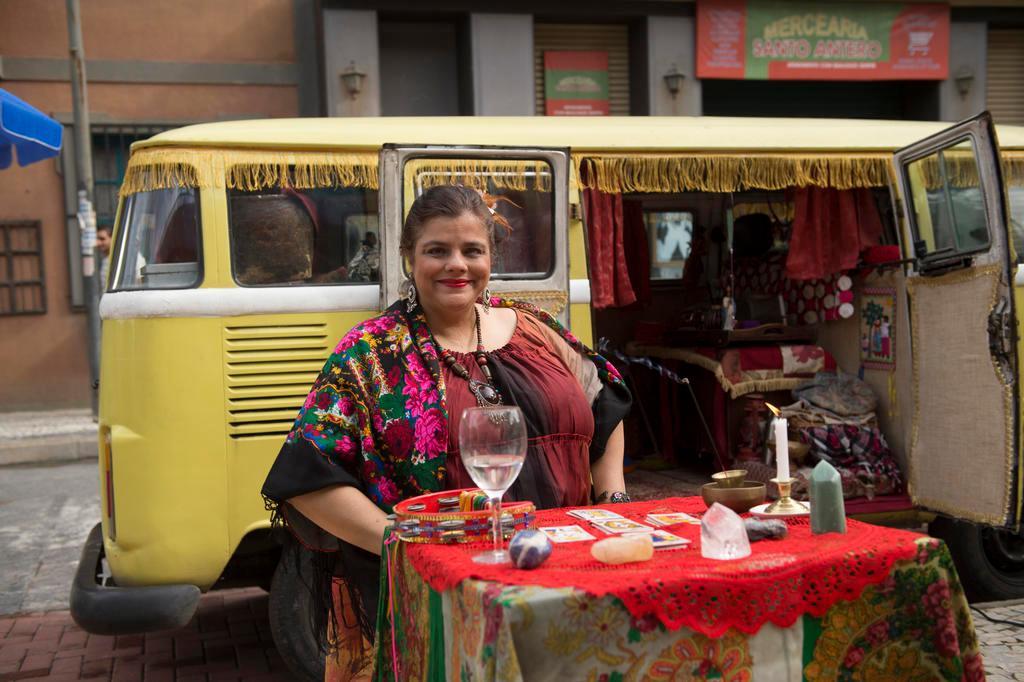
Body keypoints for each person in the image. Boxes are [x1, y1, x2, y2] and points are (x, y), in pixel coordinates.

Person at [261, 185, 632, 672]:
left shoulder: (535, 329)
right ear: (408, 258)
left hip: (564, 583)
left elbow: (606, 403)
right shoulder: (370, 354)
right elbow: (307, 478)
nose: (456, 264)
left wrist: (612, 501)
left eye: (471, 250)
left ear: (490, 258)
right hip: (438, 602)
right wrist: (406, 544)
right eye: (437, 250)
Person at [95, 225, 112, 290]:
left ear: (112, 238)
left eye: (102, 239)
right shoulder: (102, 258)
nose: (98, 243)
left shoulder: (124, 259)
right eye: (96, 239)